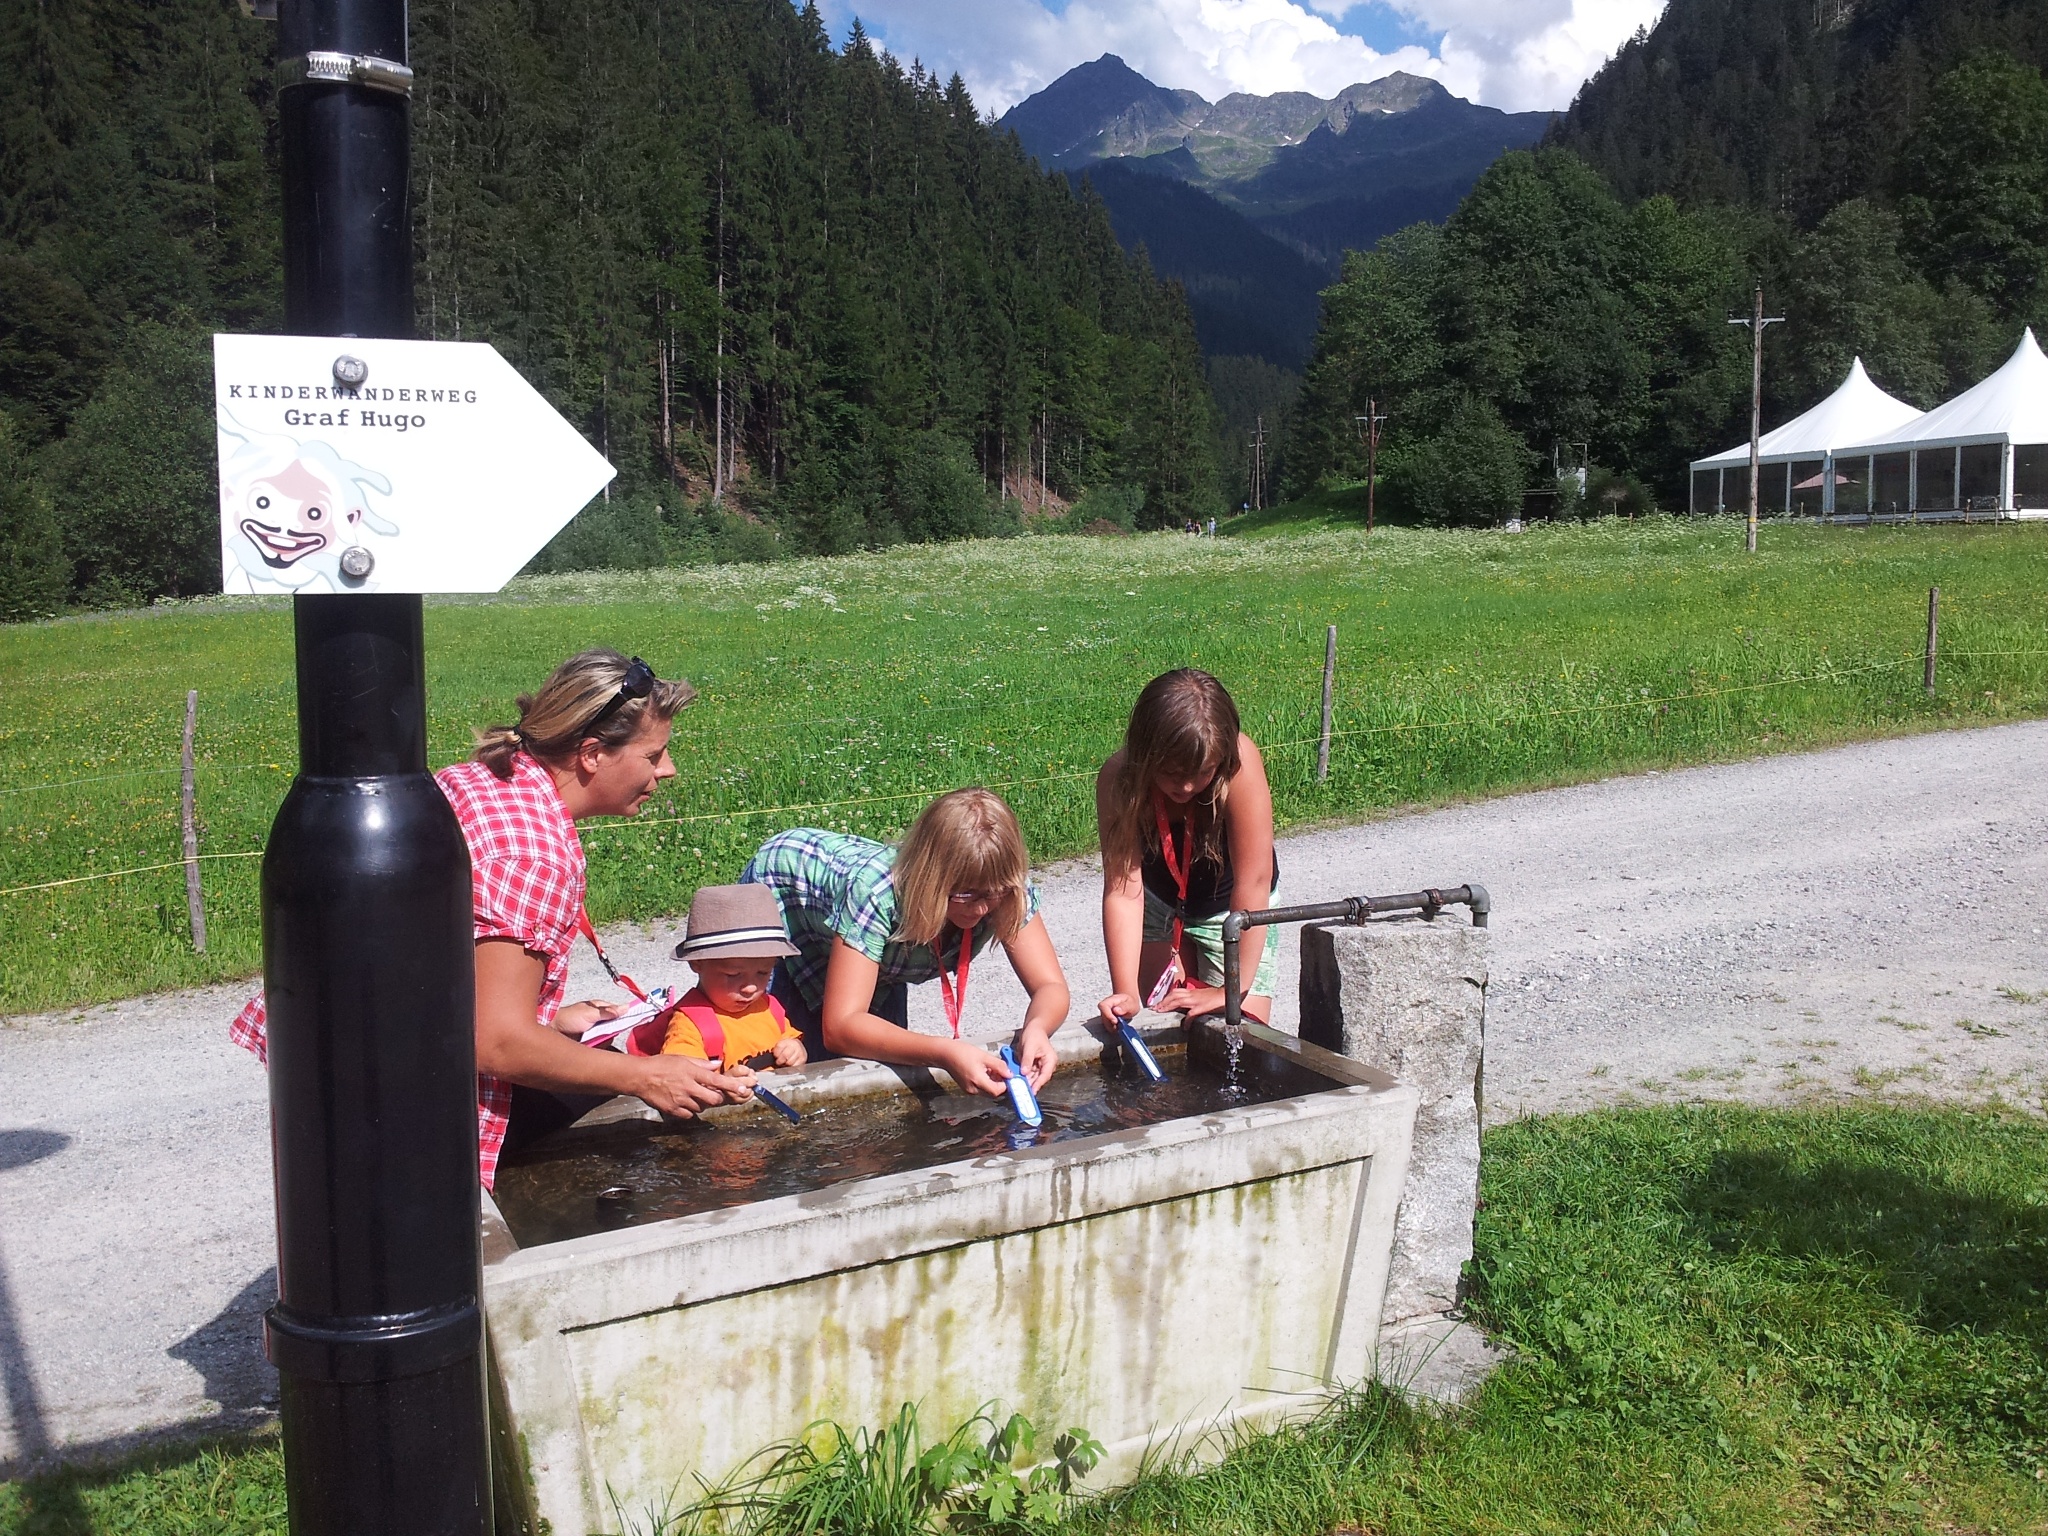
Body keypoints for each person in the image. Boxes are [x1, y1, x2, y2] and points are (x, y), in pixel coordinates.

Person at [230, 649, 755, 1188]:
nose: (667, 770)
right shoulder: (534, 854)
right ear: (593, 754)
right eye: (654, 755)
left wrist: (546, 1019)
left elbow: (435, 958)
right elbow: (496, 1042)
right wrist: (644, 1075)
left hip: (333, 1054)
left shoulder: (489, 779)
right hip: (393, 1097)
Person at [741, 789, 1069, 1097]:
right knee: (770, 1052)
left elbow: (1050, 986)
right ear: (929, 879)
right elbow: (841, 1027)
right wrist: (944, 1052)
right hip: (782, 902)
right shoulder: (876, 894)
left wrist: (1037, 1029)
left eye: (991, 894)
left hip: (866, 940)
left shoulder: (1005, 887)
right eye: (965, 894)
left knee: (882, 1060)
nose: (981, 909)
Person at [1094, 668, 1280, 1029]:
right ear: (1146, 756)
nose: (1186, 785)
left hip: (1231, 906)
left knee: (1238, 1031)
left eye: (1202, 772)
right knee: (1166, 1024)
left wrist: (1230, 988)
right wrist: (1126, 991)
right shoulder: (1120, 777)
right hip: (1158, 901)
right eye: (1172, 772)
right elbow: (1122, 889)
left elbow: (1254, 881)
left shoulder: (1240, 764)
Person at [657, 884, 809, 1071]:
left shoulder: (769, 1008)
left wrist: (795, 1049)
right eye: (733, 975)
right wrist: (723, 1086)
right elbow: (683, 1082)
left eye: (763, 973)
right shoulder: (689, 1026)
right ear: (697, 964)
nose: (750, 988)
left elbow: (789, 1038)